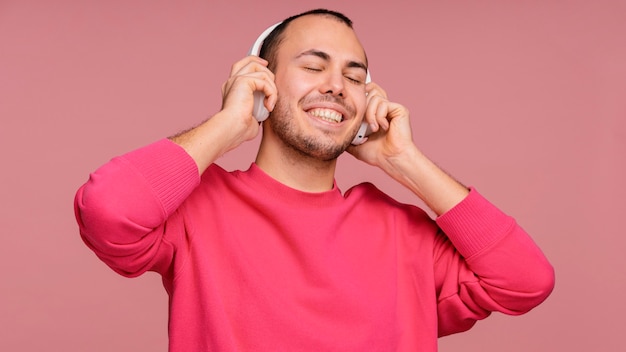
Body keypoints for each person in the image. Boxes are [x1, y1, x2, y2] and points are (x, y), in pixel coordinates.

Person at [74, 8, 554, 352]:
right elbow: (107, 210)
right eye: (312, 65)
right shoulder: (200, 208)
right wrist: (228, 126)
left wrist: (403, 160)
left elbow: (526, 280)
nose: (336, 85)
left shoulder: (403, 233)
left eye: (354, 75)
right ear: (262, 83)